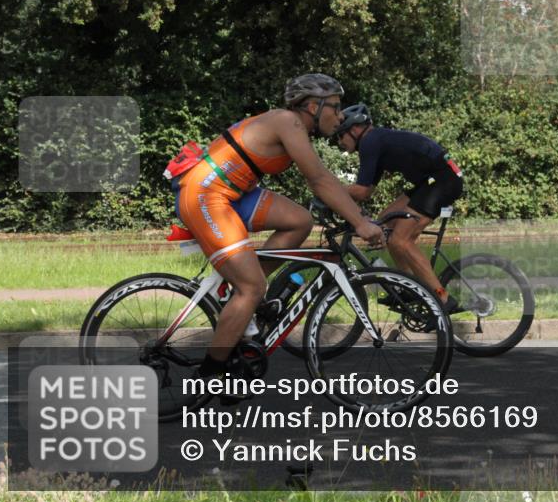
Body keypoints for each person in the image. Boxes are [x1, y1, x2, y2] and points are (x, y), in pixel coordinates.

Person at [172, 74, 383, 381]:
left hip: (234, 192)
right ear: (312, 105)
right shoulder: (288, 122)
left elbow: (322, 180)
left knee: (299, 222)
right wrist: (360, 222)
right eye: (335, 107)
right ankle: (212, 375)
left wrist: (355, 214)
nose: (340, 116)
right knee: (251, 287)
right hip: (206, 194)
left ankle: (245, 299)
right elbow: (319, 179)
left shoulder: (292, 125)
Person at [334, 104, 464, 313]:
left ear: (355, 129)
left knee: (401, 240)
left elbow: (358, 191)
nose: (340, 142)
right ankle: (409, 287)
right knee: (385, 221)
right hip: (430, 181)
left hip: (442, 180)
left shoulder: (370, 141)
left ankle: (443, 298)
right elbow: (365, 192)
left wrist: (328, 190)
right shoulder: (374, 141)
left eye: (341, 136)